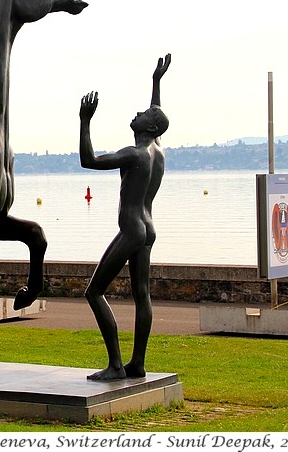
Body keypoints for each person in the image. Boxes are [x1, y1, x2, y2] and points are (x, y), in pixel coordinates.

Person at [78, 53, 171, 381]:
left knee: (94, 291)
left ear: (148, 125)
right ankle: (138, 363)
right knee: (141, 294)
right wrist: (156, 82)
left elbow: (88, 161)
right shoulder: (157, 151)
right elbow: (158, 118)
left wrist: (84, 120)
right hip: (148, 228)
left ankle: (116, 365)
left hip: (132, 228)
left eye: (143, 113)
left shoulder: (133, 156)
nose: (138, 113)